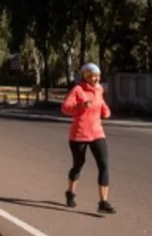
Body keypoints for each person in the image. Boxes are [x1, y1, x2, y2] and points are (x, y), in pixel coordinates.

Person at [61, 62, 116, 214]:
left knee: (104, 165)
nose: (96, 78)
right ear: (85, 76)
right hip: (79, 134)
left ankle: (103, 202)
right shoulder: (78, 90)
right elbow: (65, 108)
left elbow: (101, 105)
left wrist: (106, 112)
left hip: (97, 133)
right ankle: (70, 193)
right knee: (78, 165)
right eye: (93, 76)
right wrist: (80, 106)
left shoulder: (99, 90)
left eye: (98, 76)